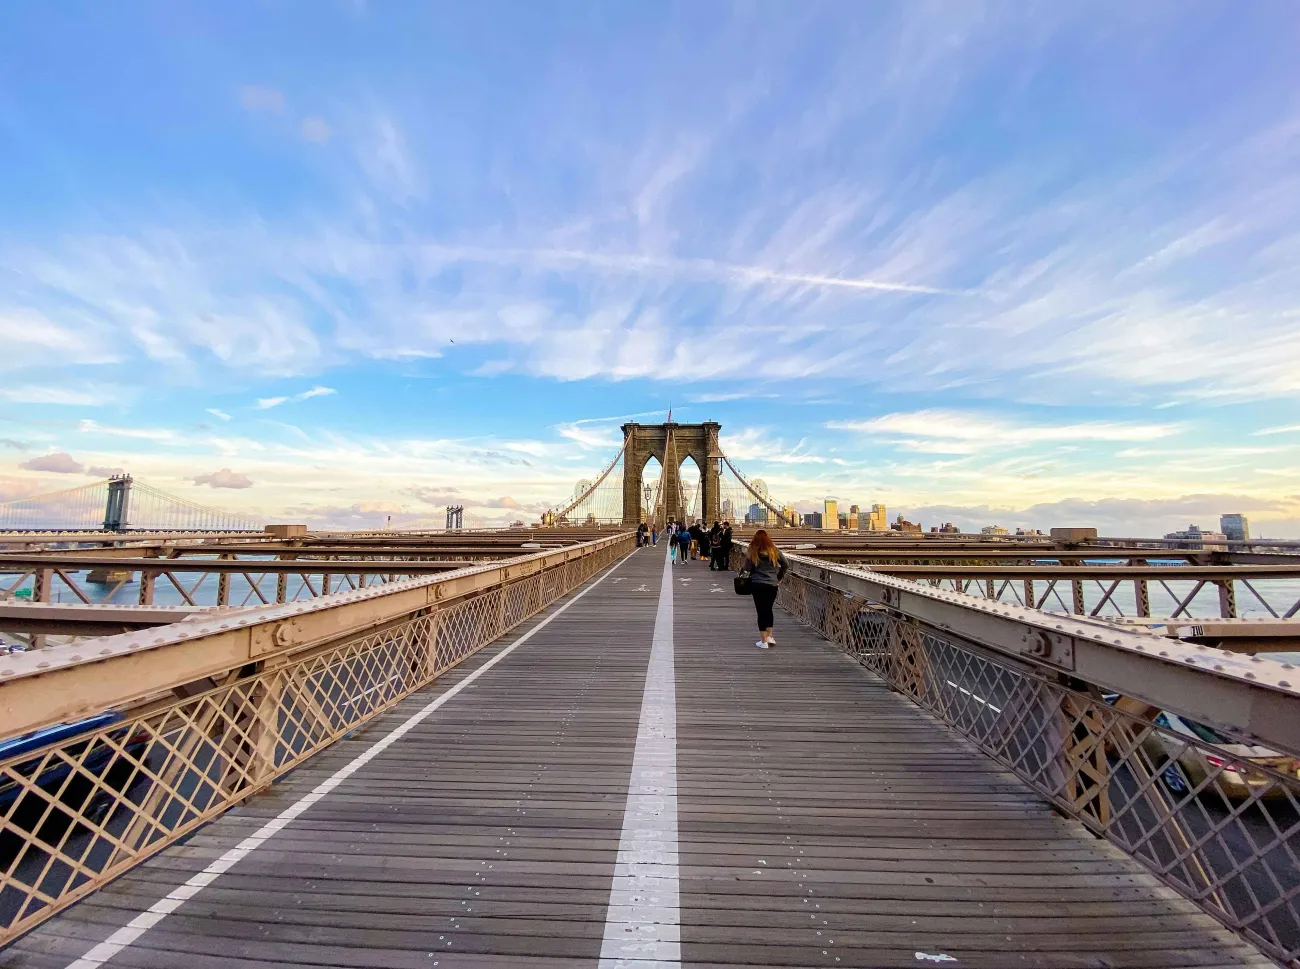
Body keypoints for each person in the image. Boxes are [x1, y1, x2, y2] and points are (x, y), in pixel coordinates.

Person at [738, 529, 787, 648]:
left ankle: (763, 641)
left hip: (758, 584)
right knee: (769, 609)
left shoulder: (752, 550)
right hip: (772, 584)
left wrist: (742, 580)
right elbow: (785, 564)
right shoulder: (773, 550)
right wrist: (779, 577)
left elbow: (746, 569)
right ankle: (770, 637)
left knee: (761, 611)